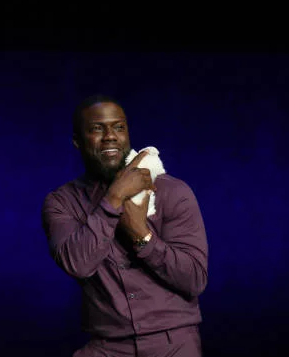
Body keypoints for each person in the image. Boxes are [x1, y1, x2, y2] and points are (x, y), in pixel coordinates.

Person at [41, 95, 208, 357]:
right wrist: (114, 197)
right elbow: (78, 264)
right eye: (98, 128)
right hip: (108, 345)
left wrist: (141, 234)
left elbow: (195, 279)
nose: (110, 136)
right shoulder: (62, 202)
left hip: (173, 343)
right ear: (77, 141)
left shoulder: (171, 191)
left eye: (119, 127)